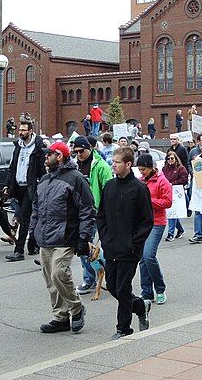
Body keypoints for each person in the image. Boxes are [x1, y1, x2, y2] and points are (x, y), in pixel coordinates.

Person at [30, 141, 94, 334]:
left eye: (49, 154)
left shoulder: (75, 178)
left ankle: (76, 308)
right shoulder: (44, 180)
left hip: (66, 236)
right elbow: (36, 208)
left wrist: (84, 238)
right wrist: (33, 232)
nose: (45, 158)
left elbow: (87, 209)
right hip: (45, 237)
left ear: (59, 156)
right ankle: (61, 316)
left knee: (59, 273)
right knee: (50, 279)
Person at [98, 147, 154, 339]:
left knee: (123, 289)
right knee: (112, 287)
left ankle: (123, 328)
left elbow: (147, 220)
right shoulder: (109, 186)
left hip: (129, 249)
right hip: (111, 246)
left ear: (128, 164)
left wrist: (134, 242)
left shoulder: (139, 189)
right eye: (112, 161)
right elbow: (101, 216)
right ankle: (140, 306)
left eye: (117, 162)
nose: (113, 164)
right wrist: (105, 238)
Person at [72, 136, 113, 295]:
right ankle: (92, 278)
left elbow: (109, 190)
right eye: (76, 152)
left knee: (91, 246)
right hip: (79, 213)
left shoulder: (101, 165)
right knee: (84, 246)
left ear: (90, 148)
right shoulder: (74, 166)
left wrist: (105, 212)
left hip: (96, 213)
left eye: (82, 151)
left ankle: (97, 277)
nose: (79, 154)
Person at [6, 119, 47, 262]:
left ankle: (19, 251)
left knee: (23, 218)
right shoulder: (18, 146)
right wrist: (7, 185)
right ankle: (33, 244)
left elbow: (42, 170)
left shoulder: (38, 147)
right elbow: (12, 167)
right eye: (19, 130)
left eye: (23, 130)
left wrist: (41, 187)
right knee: (30, 218)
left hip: (32, 188)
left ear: (30, 131)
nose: (21, 132)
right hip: (18, 187)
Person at [135, 152, 172, 305]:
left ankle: (160, 288)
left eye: (144, 169)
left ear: (151, 167)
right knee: (142, 259)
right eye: (140, 169)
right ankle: (147, 291)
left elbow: (167, 202)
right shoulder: (140, 181)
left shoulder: (162, 181)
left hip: (157, 222)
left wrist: (148, 201)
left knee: (149, 255)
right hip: (142, 223)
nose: (142, 172)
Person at [162, 150, 188, 241]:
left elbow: (184, 180)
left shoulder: (181, 168)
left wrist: (172, 184)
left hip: (177, 193)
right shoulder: (164, 169)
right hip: (167, 192)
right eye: (168, 158)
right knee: (172, 213)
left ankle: (170, 233)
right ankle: (180, 229)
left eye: (172, 158)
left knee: (173, 213)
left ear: (176, 158)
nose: (170, 160)